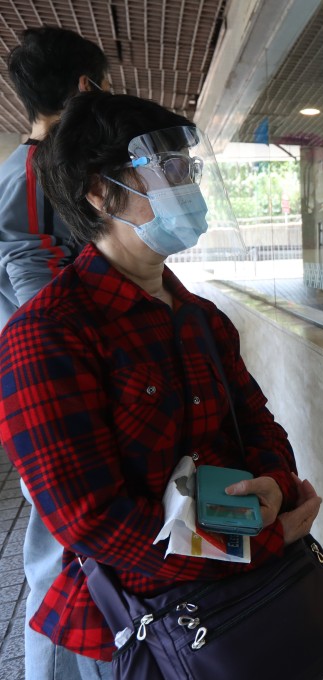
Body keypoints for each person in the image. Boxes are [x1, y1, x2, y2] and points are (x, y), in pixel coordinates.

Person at [0, 91, 323, 678]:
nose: (188, 185)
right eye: (167, 169)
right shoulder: (47, 334)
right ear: (100, 192)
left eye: (188, 168)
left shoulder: (200, 315)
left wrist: (274, 484)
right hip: (150, 627)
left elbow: (256, 421)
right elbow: (92, 520)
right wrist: (257, 545)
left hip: (257, 601)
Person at [1, 26, 111, 680]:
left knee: (61, 539)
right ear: (84, 87)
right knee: (59, 544)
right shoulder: (38, 167)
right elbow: (34, 279)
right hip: (52, 391)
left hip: (47, 384)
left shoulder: (40, 167)